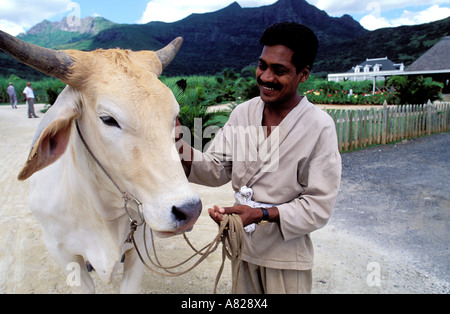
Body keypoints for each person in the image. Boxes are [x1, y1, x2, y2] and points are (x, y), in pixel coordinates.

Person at [175, 22, 342, 294]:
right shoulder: (243, 113)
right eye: (262, 65)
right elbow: (217, 168)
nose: (265, 76)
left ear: (304, 74)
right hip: (243, 249)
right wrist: (176, 144)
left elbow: (318, 205)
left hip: (286, 259)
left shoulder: (319, 126)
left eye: (280, 70)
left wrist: (260, 214)